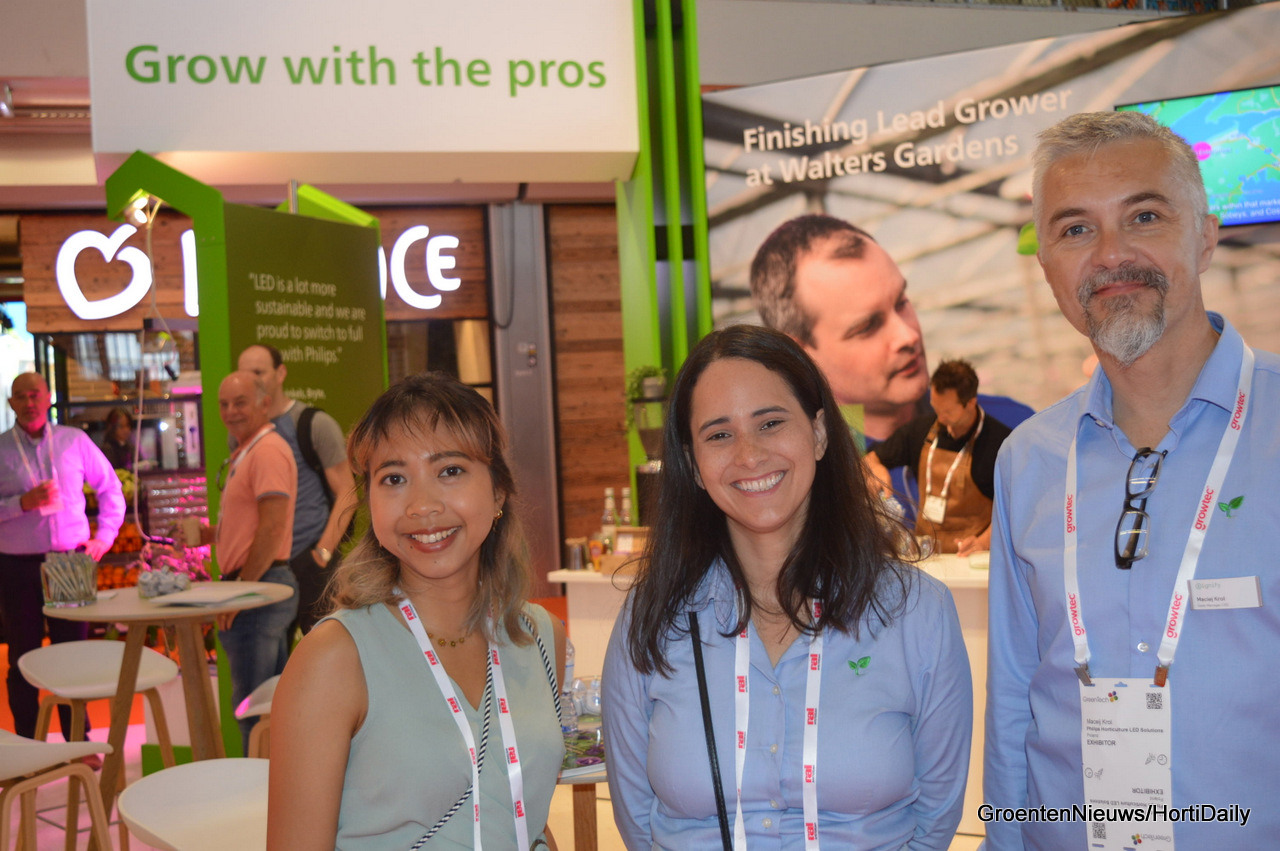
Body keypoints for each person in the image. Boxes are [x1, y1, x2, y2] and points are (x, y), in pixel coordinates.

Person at [984, 111, 1280, 849]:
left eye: (1144, 216)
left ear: (1205, 237)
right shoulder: (1028, 461)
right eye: (1075, 229)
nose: (1111, 254)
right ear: (1047, 265)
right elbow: (1015, 696)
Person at [602, 324, 971, 849]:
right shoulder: (652, 616)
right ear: (693, 463)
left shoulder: (916, 612)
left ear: (818, 433)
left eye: (770, 423)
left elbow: (935, 813)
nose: (749, 455)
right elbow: (638, 818)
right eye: (719, 435)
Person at [268, 373, 567, 850]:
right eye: (394, 479)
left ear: (498, 491)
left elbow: (520, 811)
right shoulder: (334, 658)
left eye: (450, 470)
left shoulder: (542, 637)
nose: (422, 506)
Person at [0, 372, 125, 739]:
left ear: (48, 397)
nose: (29, 402)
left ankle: (78, 740)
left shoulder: (74, 441)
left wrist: (104, 538)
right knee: (22, 657)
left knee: (73, 656)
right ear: (11, 403)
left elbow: (110, 488)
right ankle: (27, 743)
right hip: (16, 563)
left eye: (35, 394)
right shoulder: (1, 448)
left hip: (70, 560)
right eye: (20, 396)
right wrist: (20, 504)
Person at [238, 344, 357, 636]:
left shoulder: (313, 424)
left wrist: (322, 554)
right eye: (244, 374)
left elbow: (348, 492)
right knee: (271, 659)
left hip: (311, 561)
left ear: (280, 374)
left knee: (329, 650)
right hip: (268, 567)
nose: (252, 381)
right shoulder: (242, 435)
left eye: (259, 372)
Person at [211, 371, 299, 750]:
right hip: (258, 587)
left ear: (264, 403)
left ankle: (258, 786)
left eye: (240, 402)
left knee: (252, 710)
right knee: (267, 709)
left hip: (259, 590)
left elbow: (273, 526)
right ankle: (271, 783)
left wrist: (242, 592)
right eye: (224, 404)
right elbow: (255, 524)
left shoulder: (266, 451)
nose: (231, 412)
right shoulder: (250, 450)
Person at [864, 359, 1012, 555]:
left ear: (970, 403)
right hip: (926, 552)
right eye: (936, 408)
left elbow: (1015, 505)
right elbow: (871, 459)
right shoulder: (920, 430)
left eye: (948, 411)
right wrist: (874, 469)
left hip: (973, 555)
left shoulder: (1001, 444)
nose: (940, 418)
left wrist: (983, 543)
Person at [99, 406, 136, 471]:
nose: (126, 430)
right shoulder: (107, 450)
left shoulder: (131, 447)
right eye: (121, 426)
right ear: (112, 428)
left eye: (127, 425)